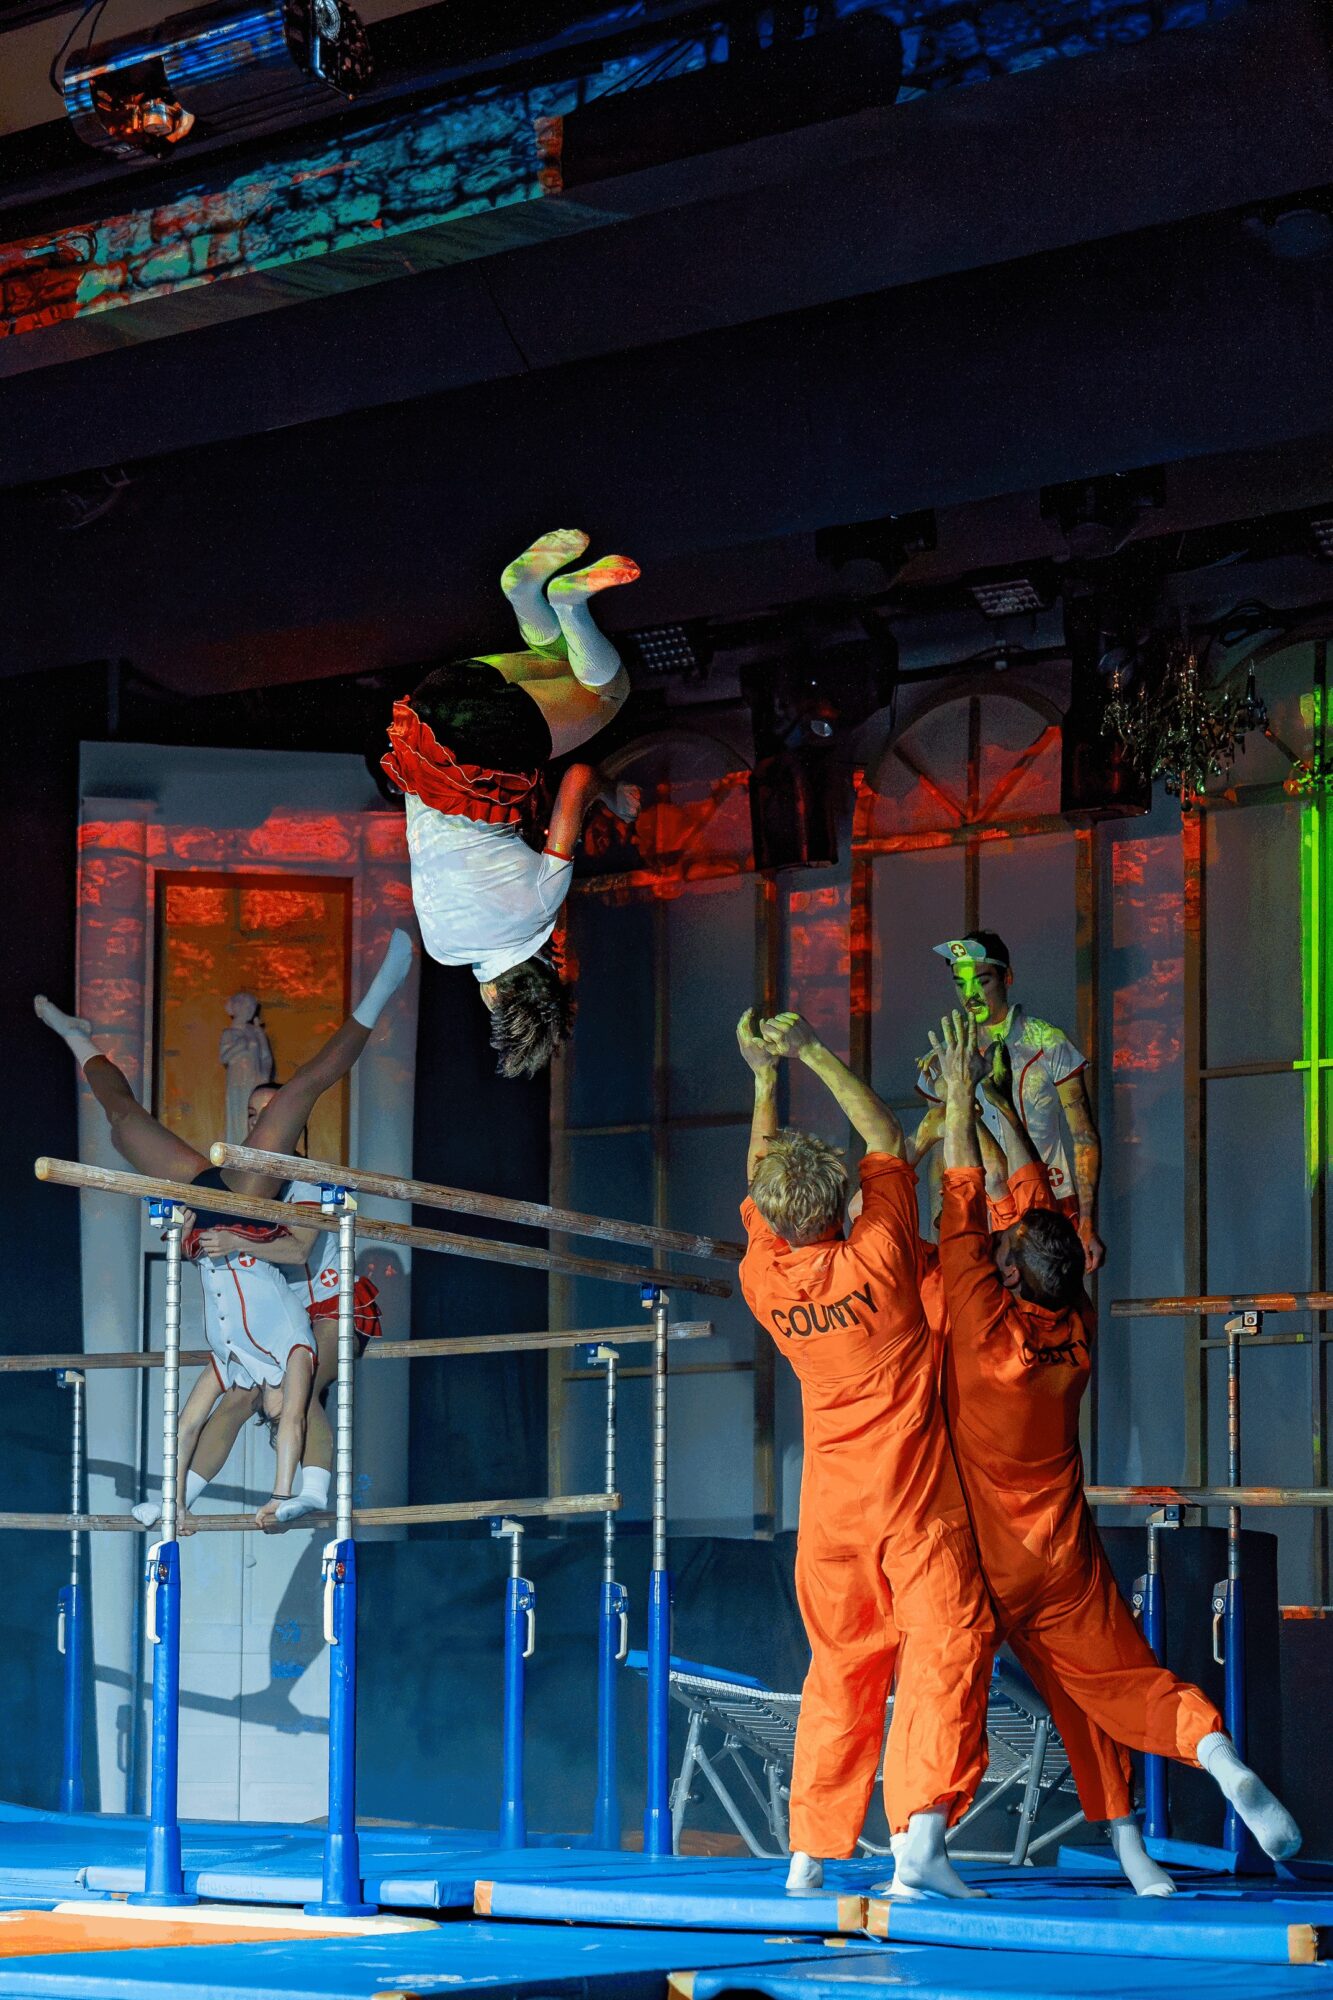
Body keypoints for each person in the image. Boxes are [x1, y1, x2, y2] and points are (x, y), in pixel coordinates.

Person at [931, 1008, 1301, 1887]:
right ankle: (1195, 1767)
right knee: (1107, 1684)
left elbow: (959, 1196)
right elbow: (1039, 1210)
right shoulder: (1077, 1327)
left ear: (1007, 1274)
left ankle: (919, 1842)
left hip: (988, 1553)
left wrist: (954, 1100)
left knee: (944, 1691)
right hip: (1064, 1554)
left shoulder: (984, 1328)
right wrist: (996, 1105)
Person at [736, 1008, 994, 1900]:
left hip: (829, 1523)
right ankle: (918, 1838)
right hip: (908, 1512)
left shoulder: (764, 1273)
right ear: (843, 1208)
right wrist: (807, 1050)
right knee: (947, 1648)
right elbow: (882, 1137)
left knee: (840, 1670)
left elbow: (762, 1175)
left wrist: (761, 1080)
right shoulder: (880, 1255)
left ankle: (810, 1851)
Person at [34, 928, 414, 1528]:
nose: (260, 1121)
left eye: (270, 1115)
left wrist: (228, 1241)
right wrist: (192, 1237)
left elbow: (297, 1248)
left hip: (316, 1302)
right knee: (123, 1121)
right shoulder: (239, 1168)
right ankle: (78, 1039)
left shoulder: (307, 1180)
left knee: (300, 1388)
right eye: (253, 1114)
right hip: (234, 1220)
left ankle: (384, 986)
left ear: (288, 1130)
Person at [383, 530, 641, 1080]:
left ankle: (564, 601)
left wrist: (614, 797)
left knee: (608, 693)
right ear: (494, 996)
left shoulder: (541, 908)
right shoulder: (442, 948)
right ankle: (525, 592)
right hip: (425, 719)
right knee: (566, 663)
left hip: (483, 741)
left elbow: (578, 779)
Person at [916, 930, 1105, 1272]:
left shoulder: (1047, 1042)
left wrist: (1088, 1220)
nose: (970, 995)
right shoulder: (944, 1059)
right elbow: (937, 1154)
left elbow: (1083, 1135)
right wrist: (936, 1230)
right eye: (960, 984)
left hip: (1048, 1205)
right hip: (980, 1214)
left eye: (982, 981)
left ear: (1007, 977)